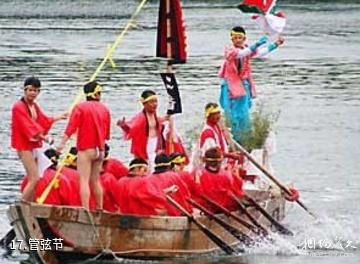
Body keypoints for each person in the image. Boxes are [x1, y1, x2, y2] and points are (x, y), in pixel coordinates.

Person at [219, 26, 284, 142]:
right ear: (232, 39)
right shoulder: (230, 50)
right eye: (235, 38)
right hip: (230, 85)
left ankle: (244, 137)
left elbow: (259, 53)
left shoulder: (246, 48)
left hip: (243, 85)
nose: (238, 40)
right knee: (231, 112)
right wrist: (256, 44)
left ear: (244, 38)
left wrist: (275, 44)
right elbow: (240, 54)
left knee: (243, 113)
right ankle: (232, 138)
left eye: (240, 38)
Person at [11, 76, 67, 202]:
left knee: (35, 178)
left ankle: (29, 203)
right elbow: (28, 127)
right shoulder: (18, 107)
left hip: (31, 146)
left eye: (36, 90)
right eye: (30, 90)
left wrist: (59, 117)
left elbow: (43, 120)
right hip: (23, 146)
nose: (33, 93)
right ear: (25, 90)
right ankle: (23, 204)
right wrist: (44, 138)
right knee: (34, 178)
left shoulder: (34, 106)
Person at [57, 80, 111, 210]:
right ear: (96, 94)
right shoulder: (105, 109)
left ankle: (86, 209)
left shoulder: (80, 108)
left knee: (84, 181)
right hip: (101, 150)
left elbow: (70, 128)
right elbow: (107, 134)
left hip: (86, 149)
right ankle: (99, 208)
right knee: (96, 180)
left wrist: (61, 145)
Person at [117, 90, 168, 169]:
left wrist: (167, 118)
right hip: (144, 145)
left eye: (156, 101)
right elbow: (131, 128)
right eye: (151, 102)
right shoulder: (140, 118)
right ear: (144, 104)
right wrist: (123, 125)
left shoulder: (155, 115)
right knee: (144, 166)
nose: (155, 104)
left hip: (155, 144)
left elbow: (159, 123)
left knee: (154, 166)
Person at [192, 147, 244, 213]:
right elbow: (238, 191)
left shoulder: (196, 173)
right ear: (220, 162)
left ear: (205, 161)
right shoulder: (227, 174)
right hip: (224, 209)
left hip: (206, 209)